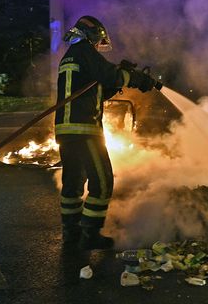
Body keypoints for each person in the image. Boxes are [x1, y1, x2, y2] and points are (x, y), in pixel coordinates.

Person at [55, 15, 158, 250]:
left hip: (66, 130)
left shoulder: (71, 56)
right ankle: (90, 234)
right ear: (91, 34)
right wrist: (136, 78)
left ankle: (70, 232)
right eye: (97, 38)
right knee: (102, 180)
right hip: (84, 129)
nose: (98, 44)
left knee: (73, 182)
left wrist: (118, 80)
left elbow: (98, 89)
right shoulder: (84, 51)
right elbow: (110, 75)